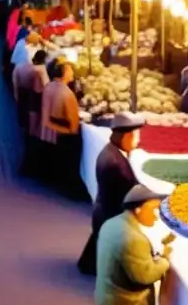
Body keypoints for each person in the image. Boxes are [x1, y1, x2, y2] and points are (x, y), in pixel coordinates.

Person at [80, 112, 144, 276]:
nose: (138, 140)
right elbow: (131, 192)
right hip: (111, 214)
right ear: (126, 137)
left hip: (104, 209)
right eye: (136, 136)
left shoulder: (112, 152)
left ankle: (89, 265)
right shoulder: (116, 164)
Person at [41, 58, 82, 193]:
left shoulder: (49, 86)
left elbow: (45, 118)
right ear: (64, 73)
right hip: (65, 137)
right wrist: (66, 130)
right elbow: (74, 126)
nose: (72, 72)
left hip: (49, 133)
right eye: (70, 69)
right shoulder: (67, 94)